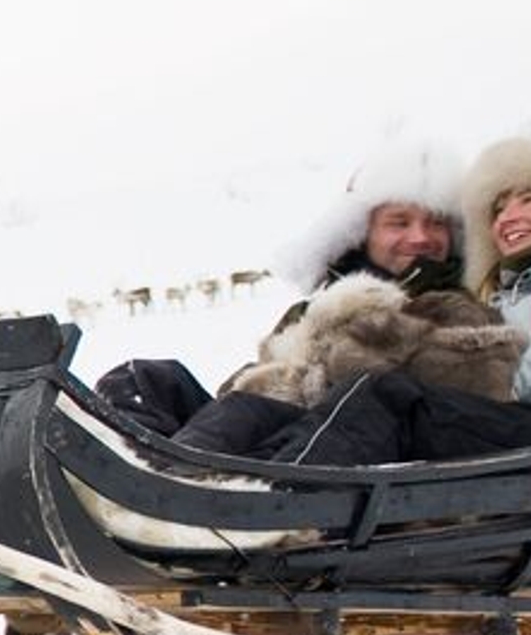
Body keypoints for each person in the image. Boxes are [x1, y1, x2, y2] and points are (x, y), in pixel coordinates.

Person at [261, 137, 531, 470]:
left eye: (529, 198)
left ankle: (282, 492)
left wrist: (455, 373)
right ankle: (230, 478)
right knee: (268, 406)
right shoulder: (519, 285)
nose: (508, 216)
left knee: (388, 396)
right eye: (498, 208)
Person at [96, 140, 510, 454]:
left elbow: (454, 400)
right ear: (361, 232)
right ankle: (116, 470)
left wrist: (355, 343)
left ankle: (173, 485)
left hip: (348, 465)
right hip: (268, 443)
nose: (419, 237)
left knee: (245, 412)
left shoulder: (456, 306)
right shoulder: (312, 308)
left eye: (435, 224)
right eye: (398, 222)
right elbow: (240, 392)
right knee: (144, 378)